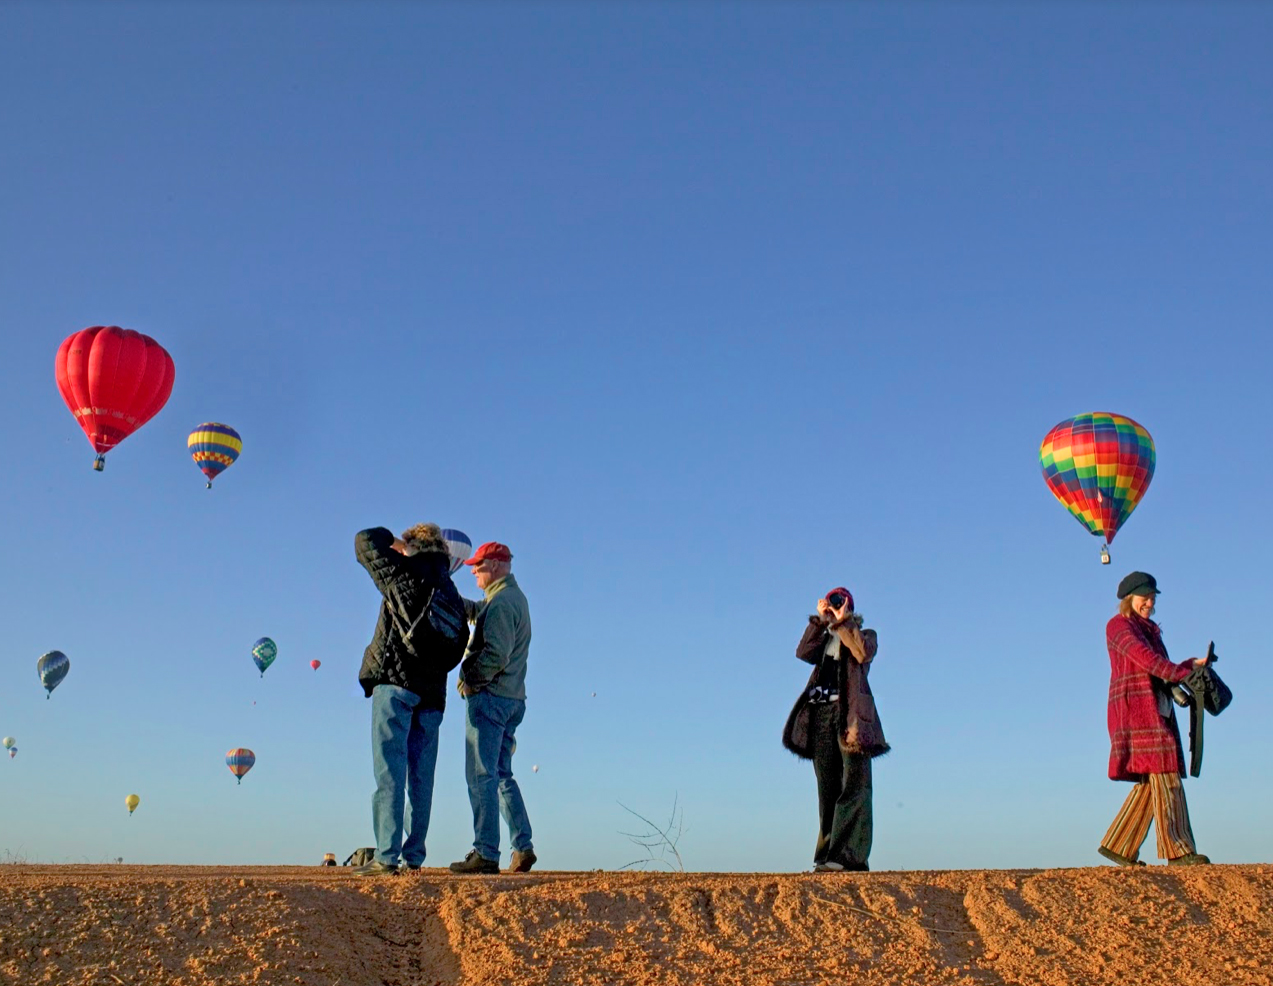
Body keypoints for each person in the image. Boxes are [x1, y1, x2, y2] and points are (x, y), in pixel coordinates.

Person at [354, 523, 468, 876]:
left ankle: (386, 856)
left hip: (395, 685)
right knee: (422, 778)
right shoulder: (450, 591)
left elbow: (364, 541)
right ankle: (413, 856)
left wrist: (398, 543)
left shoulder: (403, 572)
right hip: (433, 696)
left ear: (412, 545)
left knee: (389, 770)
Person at [1099, 571, 1210, 867]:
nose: (1149, 602)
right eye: (1144, 597)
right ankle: (1179, 849)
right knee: (1166, 772)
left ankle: (1120, 845)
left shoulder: (1149, 630)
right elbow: (1145, 661)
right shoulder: (1118, 626)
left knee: (1154, 782)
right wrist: (1183, 674)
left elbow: (1161, 668)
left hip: (1157, 708)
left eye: (1152, 597)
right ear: (1128, 598)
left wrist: (1190, 666)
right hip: (1136, 711)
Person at [782, 587, 889, 872]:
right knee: (827, 786)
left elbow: (862, 653)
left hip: (851, 719)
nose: (835, 606)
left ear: (851, 608)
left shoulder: (864, 635)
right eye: (832, 602)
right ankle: (827, 855)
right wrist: (819, 620)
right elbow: (803, 652)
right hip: (821, 715)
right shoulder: (826, 637)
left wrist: (844, 621)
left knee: (855, 785)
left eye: (840, 602)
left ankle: (850, 857)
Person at [449, 541, 536, 875]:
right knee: (501, 775)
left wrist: (469, 679)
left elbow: (496, 653)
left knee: (481, 774)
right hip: (513, 699)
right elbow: (486, 615)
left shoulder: (500, 604)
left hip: (491, 698)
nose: (473, 570)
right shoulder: (512, 599)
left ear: (498, 565)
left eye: (479, 565)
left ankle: (485, 852)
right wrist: (462, 605)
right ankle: (522, 846)